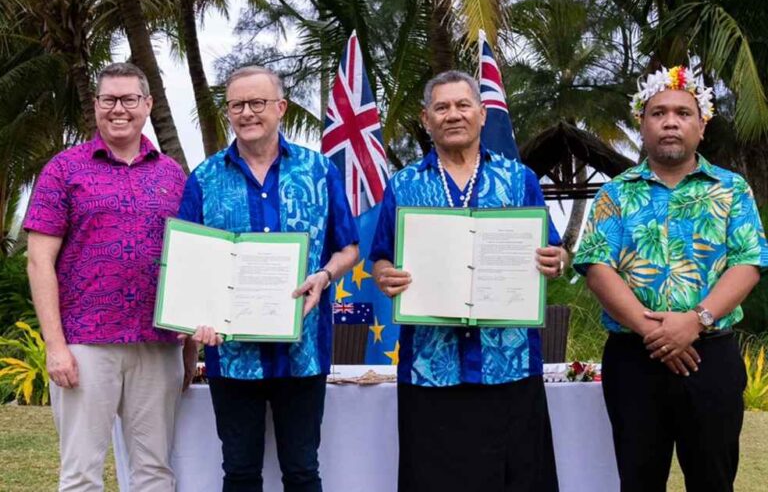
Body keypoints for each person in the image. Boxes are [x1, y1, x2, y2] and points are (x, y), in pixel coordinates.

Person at [573, 64, 768, 492]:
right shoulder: (615, 194)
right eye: (658, 113)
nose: (670, 122)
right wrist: (653, 331)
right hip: (633, 359)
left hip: (710, 355)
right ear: (642, 126)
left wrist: (693, 321)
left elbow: (748, 260)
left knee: (713, 479)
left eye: (683, 113)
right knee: (638, 479)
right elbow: (596, 267)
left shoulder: (731, 189)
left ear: (702, 126)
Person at [370, 70, 567, 492]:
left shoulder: (519, 180)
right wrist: (383, 275)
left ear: (481, 114)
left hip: (508, 366)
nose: (453, 115)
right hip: (431, 369)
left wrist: (557, 259)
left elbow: (553, 249)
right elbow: (380, 257)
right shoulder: (404, 184)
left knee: (519, 478)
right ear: (426, 118)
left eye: (463, 105)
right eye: (441, 107)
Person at [178, 66, 359, 492]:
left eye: (257, 103)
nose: (247, 113)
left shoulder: (318, 170)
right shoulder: (204, 178)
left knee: (301, 471)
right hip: (232, 355)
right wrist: (196, 319)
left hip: (303, 352)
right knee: (239, 473)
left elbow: (349, 247)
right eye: (237, 104)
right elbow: (188, 261)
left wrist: (325, 274)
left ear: (280, 108)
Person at [25, 62, 195, 491]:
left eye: (129, 99)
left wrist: (190, 345)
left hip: (157, 345)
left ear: (147, 104)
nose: (118, 109)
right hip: (85, 345)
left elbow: (192, 261)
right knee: (81, 473)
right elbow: (38, 262)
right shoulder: (64, 170)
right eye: (109, 100)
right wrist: (56, 346)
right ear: (96, 106)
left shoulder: (173, 174)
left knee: (155, 470)